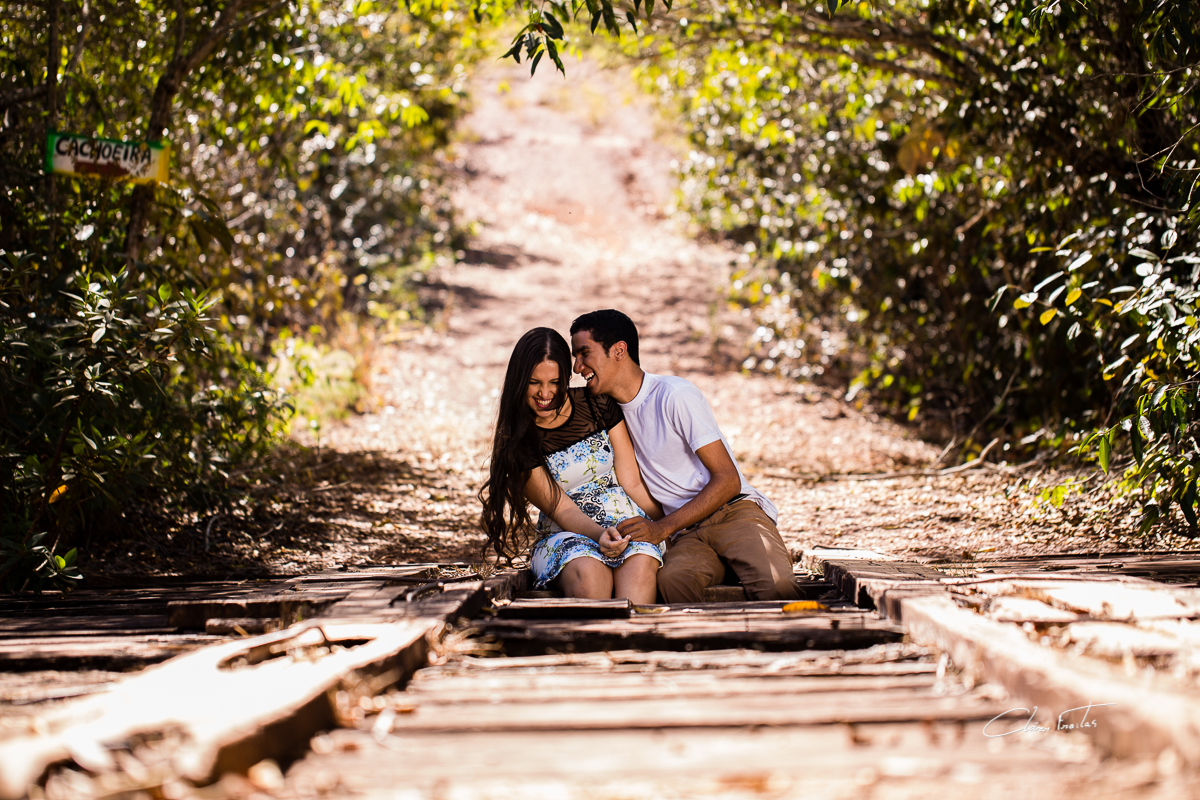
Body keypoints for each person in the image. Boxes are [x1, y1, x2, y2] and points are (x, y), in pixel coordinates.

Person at [569, 309, 801, 604]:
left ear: (619, 350)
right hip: (686, 533)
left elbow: (728, 480)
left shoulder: (674, 395)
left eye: (584, 354)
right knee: (673, 584)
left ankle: (747, 564)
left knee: (778, 590)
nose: (577, 367)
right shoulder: (606, 414)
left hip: (733, 513)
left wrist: (662, 528)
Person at [479, 327, 665, 604]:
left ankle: (632, 644)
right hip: (566, 535)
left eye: (554, 382)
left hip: (625, 523)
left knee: (639, 566)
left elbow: (631, 481)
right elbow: (560, 508)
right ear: (519, 381)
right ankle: (592, 643)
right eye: (534, 383)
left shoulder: (597, 404)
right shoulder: (519, 440)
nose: (545, 393)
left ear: (567, 376)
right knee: (590, 575)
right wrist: (601, 535)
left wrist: (667, 525)